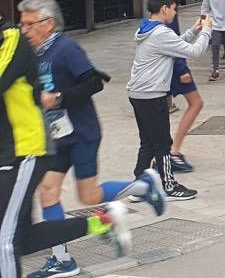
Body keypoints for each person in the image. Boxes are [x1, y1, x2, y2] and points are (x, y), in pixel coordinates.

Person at [17, 0, 166, 278]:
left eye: (29, 24)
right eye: (22, 24)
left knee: (89, 196)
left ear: (48, 24)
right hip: (55, 137)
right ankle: (62, 260)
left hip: (82, 134)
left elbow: (93, 82)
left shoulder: (65, 48)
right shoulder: (30, 54)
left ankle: (144, 187)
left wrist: (59, 98)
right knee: (47, 192)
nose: (24, 30)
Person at [0, 18, 131, 277]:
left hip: (23, 151)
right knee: (22, 239)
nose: (27, 28)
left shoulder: (11, 39)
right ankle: (103, 221)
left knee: (5, 240)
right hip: (11, 152)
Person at [128, 0, 211, 201]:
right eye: (174, 9)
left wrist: (194, 30)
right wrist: (207, 31)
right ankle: (169, 185)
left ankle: (139, 186)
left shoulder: (149, 28)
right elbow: (193, 52)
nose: (175, 14)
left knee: (147, 141)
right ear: (164, 8)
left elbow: (175, 46)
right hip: (152, 94)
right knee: (163, 142)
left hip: (139, 93)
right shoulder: (161, 33)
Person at [157, 0, 202, 173]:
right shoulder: (170, 5)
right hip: (175, 65)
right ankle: (173, 151)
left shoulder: (158, 0)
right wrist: (182, 68)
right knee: (196, 103)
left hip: (166, 65)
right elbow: (173, 41)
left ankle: (167, 151)